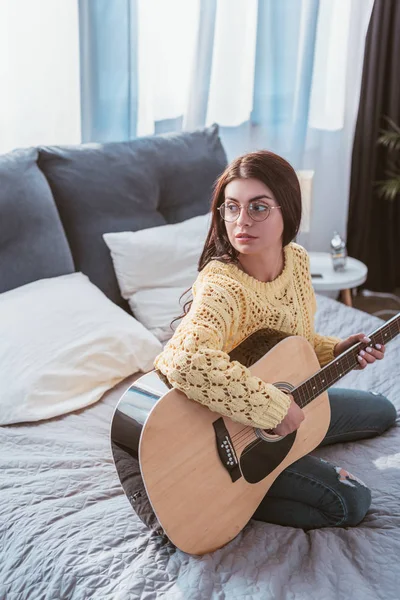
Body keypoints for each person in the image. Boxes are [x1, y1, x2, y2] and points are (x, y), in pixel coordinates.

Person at [153, 150, 397, 529]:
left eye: (258, 208)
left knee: (383, 410)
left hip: (278, 397)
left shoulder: (296, 261)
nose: (240, 222)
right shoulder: (223, 287)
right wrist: (272, 409)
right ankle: (223, 499)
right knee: (352, 502)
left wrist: (333, 349)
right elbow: (184, 360)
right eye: (231, 208)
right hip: (230, 429)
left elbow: (289, 343)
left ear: (289, 211)